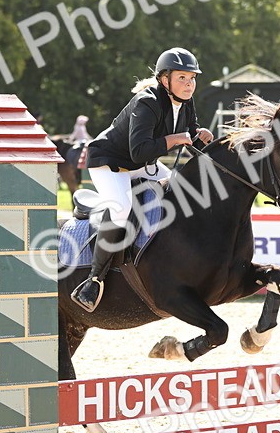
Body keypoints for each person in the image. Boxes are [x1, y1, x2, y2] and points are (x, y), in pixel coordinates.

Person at [70, 47, 214, 312]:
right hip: (110, 163)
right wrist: (175, 139)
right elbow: (139, 150)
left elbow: (189, 135)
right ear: (164, 79)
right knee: (122, 208)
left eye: (192, 78)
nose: (189, 84)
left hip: (142, 165)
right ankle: (94, 280)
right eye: (182, 78)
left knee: (182, 191)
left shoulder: (186, 101)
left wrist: (201, 137)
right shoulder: (146, 102)